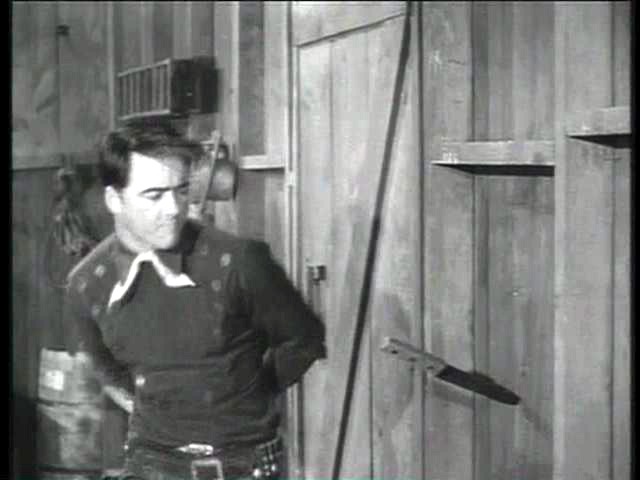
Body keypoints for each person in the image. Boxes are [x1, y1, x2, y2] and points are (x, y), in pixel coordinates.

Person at [64, 122, 326, 480]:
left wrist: (247, 392)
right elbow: (105, 366)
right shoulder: (87, 285)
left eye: (181, 190)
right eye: (154, 195)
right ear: (114, 199)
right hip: (151, 466)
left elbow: (304, 339)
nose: (173, 208)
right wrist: (160, 404)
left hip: (243, 466)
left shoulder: (239, 262)